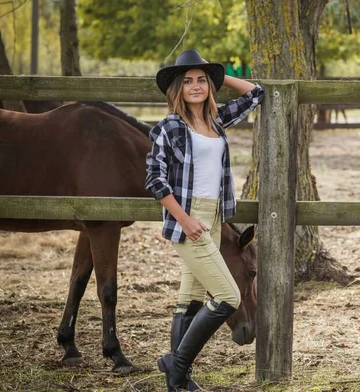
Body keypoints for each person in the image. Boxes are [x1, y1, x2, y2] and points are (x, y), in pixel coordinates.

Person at [144, 49, 265, 392]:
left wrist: (219, 75)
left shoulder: (215, 121)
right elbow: (155, 179)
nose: (195, 87)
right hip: (189, 217)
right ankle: (175, 364)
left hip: (215, 216)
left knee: (191, 299)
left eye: (201, 80)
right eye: (187, 82)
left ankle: (178, 382)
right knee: (228, 296)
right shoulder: (169, 127)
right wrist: (183, 219)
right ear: (177, 90)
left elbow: (256, 93)